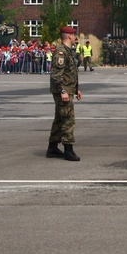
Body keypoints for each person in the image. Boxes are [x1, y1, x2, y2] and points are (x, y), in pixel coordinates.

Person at [47, 26, 82, 161]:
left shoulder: (67, 51)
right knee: (68, 119)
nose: (75, 38)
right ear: (68, 36)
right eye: (73, 35)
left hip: (67, 89)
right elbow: (56, 75)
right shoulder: (61, 52)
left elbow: (69, 73)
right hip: (63, 91)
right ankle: (68, 149)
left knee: (59, 118)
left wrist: (75, 89)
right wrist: (63, 91)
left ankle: (52, 147)